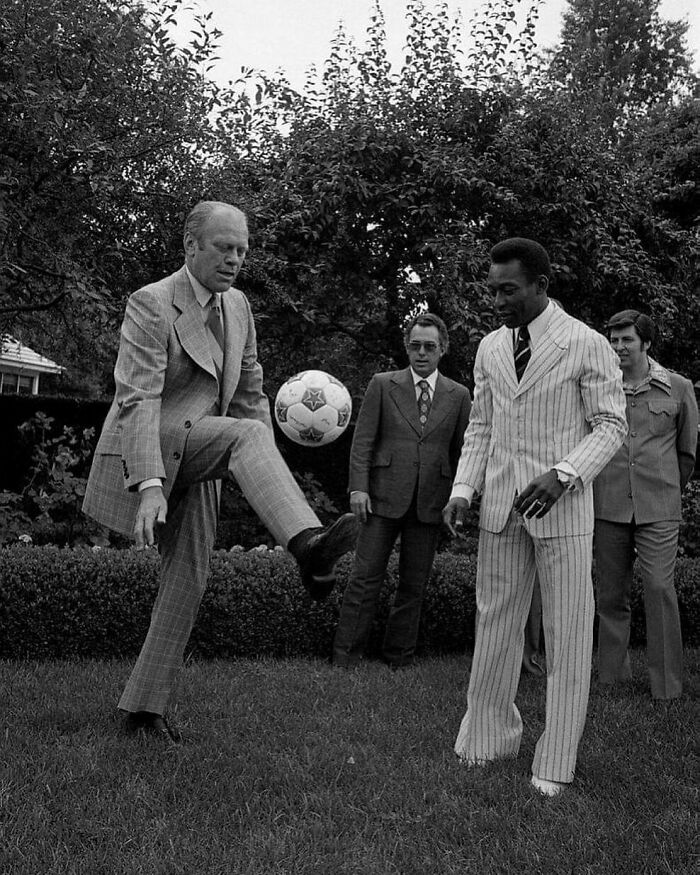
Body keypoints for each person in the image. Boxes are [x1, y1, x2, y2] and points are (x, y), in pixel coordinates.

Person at [83, 201, 358, 742]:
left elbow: (252, 398)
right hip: (153, 449)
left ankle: (143, 710)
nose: (235, 259)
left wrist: (266, 484)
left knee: (190, 577)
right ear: (191, 245)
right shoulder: (152, 302)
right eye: (224, 247)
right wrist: (150, 487)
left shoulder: (240, 308)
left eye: (242, 250)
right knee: (248, 434)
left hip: (206, 450)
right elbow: (138, 400)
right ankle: (309, 548)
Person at [443, 238, 627, 796]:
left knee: (568, 636)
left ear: (541, 285)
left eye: (508, 289)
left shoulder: (586, 343)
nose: (497, 299)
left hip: (563, 512)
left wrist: (564, 474)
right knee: (494, 627)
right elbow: (481, 427)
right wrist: (463, 489)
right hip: (500, 509)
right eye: (492, 289)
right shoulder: (489, 348)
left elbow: (611, 426)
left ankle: (553, 764)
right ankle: (486, 741)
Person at [332, 313, 471, 668]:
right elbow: (362, 442)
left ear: (443, 349)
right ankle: (346, 656)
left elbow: (462, 453)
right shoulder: (383, 384)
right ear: (406, 347)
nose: (421, 353)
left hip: (429, 502)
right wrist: (358, 489)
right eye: (415, 346)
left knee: (414, 583)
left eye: (429, 347)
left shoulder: (458, 396)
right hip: (380, 499)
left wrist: (458, 497)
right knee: (364, 578)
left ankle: (399, 656)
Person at [593, 310, 698, 700]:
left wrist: (667, 489)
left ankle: (667, 687)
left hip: (659, 508)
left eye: (627, 340)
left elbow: (686, 453)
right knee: (610, 595)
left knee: (658, 587)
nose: (619, 347)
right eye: (614, 339)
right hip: (609, 505)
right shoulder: (601, 386)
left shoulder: (678, 387)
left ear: (646, 343)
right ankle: (612, 679)